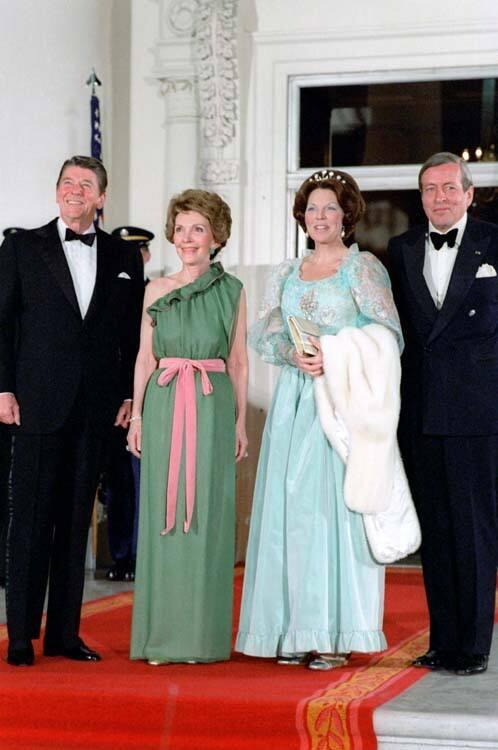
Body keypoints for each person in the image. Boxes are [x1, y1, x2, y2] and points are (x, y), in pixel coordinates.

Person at [236, 169, 403, 670]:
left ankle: (330, 632)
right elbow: (263, 333)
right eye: (312, 209)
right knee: (287, 513)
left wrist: (334, 354)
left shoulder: (363, 269)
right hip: (293, 402)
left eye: (330, 208)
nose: (320, 217)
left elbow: (388, 336)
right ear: (302, 217)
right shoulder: (287, 272)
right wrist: (292, 352)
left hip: (341, 401)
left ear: (346, 214)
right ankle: (289, 631)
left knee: (331, 515)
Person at [0, 156, 144, 666]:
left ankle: (64, 634)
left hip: (96, 410)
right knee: (31, 523)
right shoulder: (21, 246)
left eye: (86, 184)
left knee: (75, 524)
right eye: (67, 183)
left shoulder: (126, 256)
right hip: (36, 403)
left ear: (101, 198)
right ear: (56, 192)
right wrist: (3, 389)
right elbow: (3, 323)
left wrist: (130, 395)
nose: (75, 190)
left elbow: (130, 335)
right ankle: (21, 634)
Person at [388, 152, 498, 676]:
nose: (440, 197)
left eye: (450, 188)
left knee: (475, 532)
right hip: (421, 413)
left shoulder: (495, 242)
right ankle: (442, 640)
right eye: (430, 189)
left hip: (479, 414)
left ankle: (473, 645)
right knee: (435, 532)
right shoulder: (401, 248)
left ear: (470, 193)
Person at [128, 189, 248, 665]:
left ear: (216, 236)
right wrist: (136, 416)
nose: (187, 238)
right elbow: (144, 358)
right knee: (162, 513)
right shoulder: (155, 290)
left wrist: (240, 421)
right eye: (180, 229)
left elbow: (237, 361)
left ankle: (201, 639)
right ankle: (161, 637)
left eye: (197, 228)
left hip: (212, 405)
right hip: (162, 404)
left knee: (207, 516)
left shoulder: (233, 290)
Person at [101, 226, 155, 582]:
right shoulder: (109, 289)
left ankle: (139, 555)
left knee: (140, 482)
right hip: (110, 400)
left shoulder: (157, 291)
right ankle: (121, 555)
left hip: (144, 396)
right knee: (116, 484)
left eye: (139, 252)